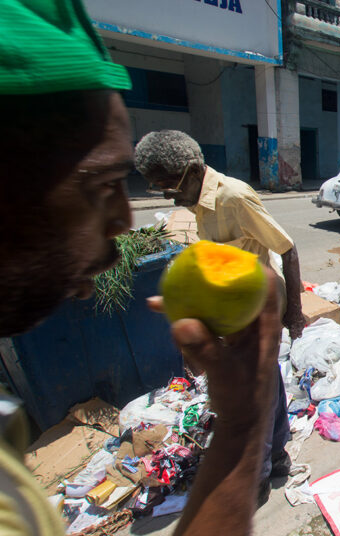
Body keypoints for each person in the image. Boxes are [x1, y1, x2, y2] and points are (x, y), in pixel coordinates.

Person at [0, 1, 280, 534]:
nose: (122, 224)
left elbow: (282, 246)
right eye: (102, 186)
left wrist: (253, 405)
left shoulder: (235, 195)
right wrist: (243, 423)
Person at [133, 131, 305, 504]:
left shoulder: (233, 196)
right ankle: (277, 457)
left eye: (169, 186)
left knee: (248, 399)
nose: (168, 196)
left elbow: (287, 249)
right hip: (234, 309)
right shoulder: (196, 200)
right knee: (267, 385)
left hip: (258, 310)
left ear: (193, 171)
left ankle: (256, 478)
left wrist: (295, 313)